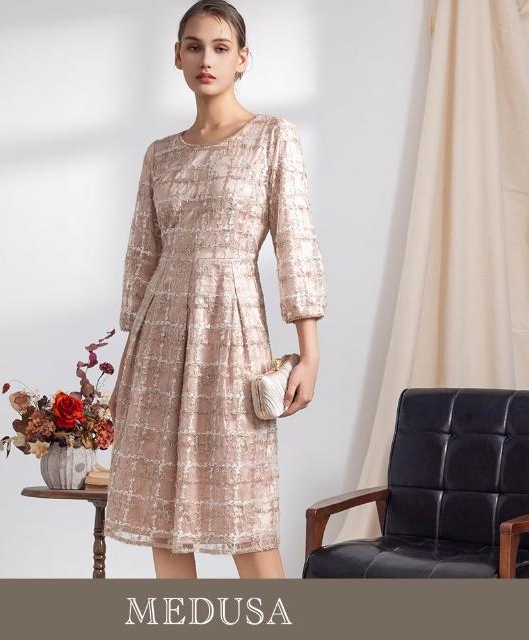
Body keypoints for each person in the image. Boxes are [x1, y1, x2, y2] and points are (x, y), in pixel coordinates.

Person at [104, 0, 327, 579]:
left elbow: (296, 245)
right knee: (164, 520)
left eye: (221, 48)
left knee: (243, 515)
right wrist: (127, 366)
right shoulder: (160, 154)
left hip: (232, 331)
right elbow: (142, 258)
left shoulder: (272, 137)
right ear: (177, 56)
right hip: (157, 341)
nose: (207, 59)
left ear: (242, 59)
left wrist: (309, 354)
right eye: (195, 46)